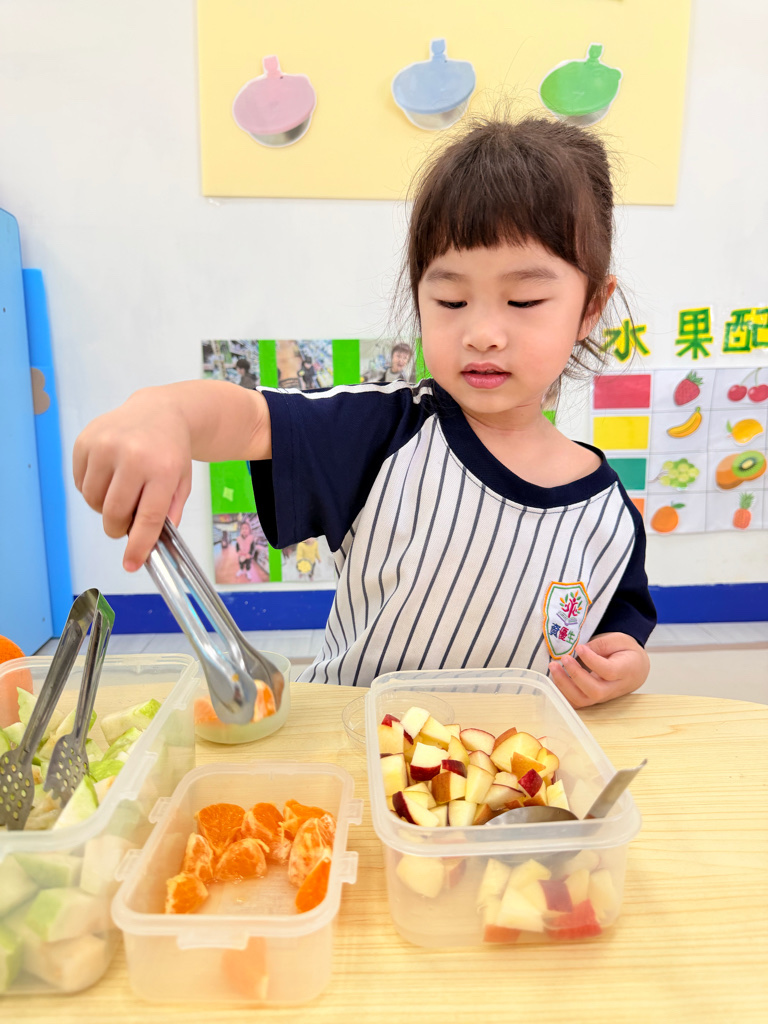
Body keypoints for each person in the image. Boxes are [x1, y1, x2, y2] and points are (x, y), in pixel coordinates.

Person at [73, 114, 656, 707]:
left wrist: (624, 664)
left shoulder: (606, 513)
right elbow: (249, 419)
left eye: (524, 300)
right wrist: (165, 412)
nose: (482, 333)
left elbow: (617, 632)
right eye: (451, 299)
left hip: (512, 756)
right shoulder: (383, 433)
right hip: (350, 740)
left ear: (590, 308)